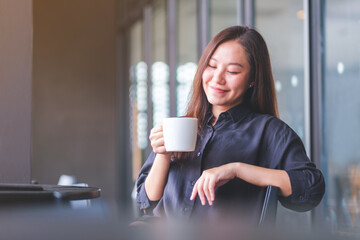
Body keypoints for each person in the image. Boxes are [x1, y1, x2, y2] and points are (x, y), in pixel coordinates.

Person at [135, 26, 325, 224]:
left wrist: (237, 170)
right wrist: (163, 155)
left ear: (252, 79)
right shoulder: (182, 126)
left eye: (233, 71)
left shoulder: (270, 132)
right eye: (212, 66)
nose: (217, 78)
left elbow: (312, 188)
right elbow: (148, 201)